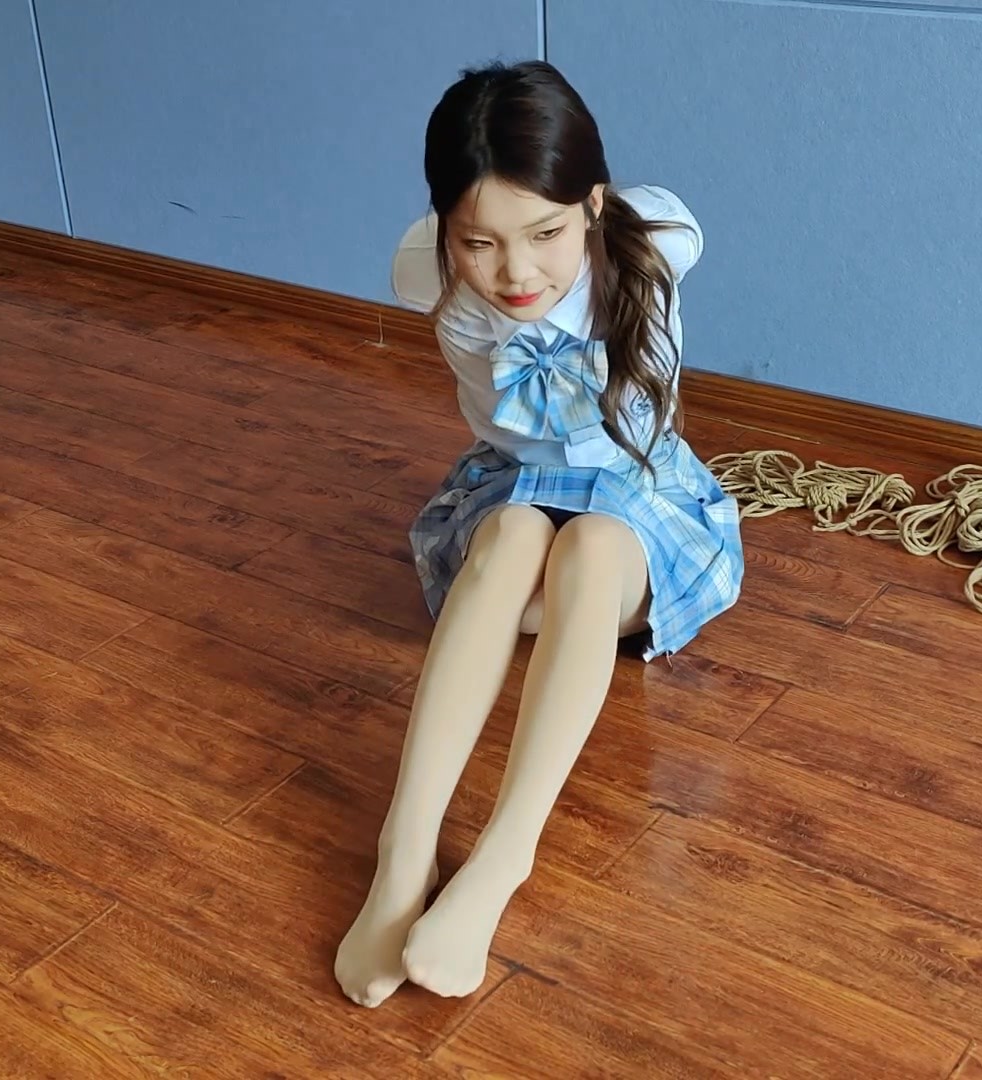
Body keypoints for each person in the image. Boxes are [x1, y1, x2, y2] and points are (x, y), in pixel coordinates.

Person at [333, 60, 744, 1008]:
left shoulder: (658, 239)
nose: (515, 273)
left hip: (635, 503)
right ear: (445, 229)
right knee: (517, 531)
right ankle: (403, 854)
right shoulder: (422, 270)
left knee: (590, 547)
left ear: (593, 204)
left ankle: (502, 857)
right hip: (514, 488)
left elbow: (657, 228)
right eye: (478, 243)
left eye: (547, 234)